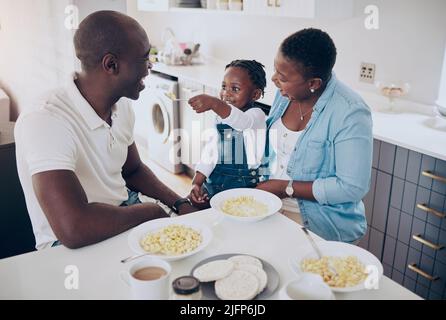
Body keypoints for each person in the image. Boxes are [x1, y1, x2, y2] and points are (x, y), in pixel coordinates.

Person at [14, 11, 198, 250]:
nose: (150, 66)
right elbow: (73, 228)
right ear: (111, 65)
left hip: (123, 210)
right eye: (144, 58)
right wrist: (151, 212)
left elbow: (133, 170)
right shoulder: (45, 119)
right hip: (69, 245)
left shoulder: (121, 104)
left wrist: (180, 203)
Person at [257, 28, 373, 243]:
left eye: (282, 77)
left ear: (313, 84)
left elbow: (352, 187)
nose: (274, 80)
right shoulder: (286, 93)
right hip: (272, 209)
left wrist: (286, 188)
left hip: (320, 225)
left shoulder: (351, 112)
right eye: (276, 70)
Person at [187, 60, 268, 207]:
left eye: (235, 89)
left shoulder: (256, 116)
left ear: (255, 94)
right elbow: (211, 151)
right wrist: (197, 181)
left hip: (242, 188)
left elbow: (242, 123)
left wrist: (215, 104)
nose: (226, 94)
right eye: (224, 87)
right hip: (215, 183)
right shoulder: (220, 117)